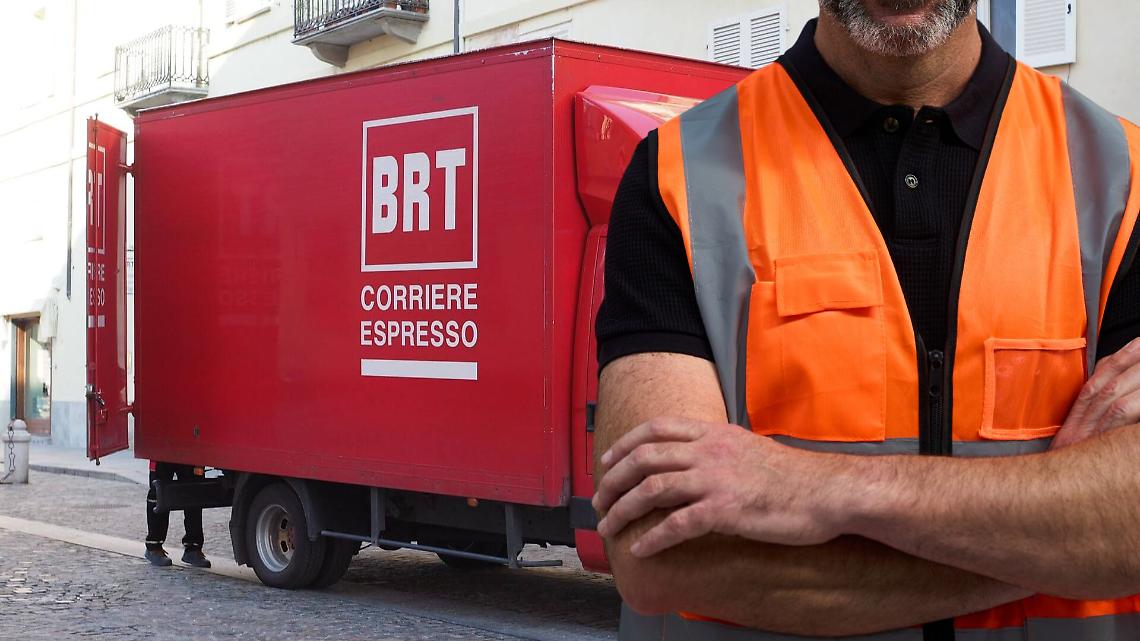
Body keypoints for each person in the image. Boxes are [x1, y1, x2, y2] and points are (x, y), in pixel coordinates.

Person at [592, 1, 1140, 639]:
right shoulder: (677, 176)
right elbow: (663, 549)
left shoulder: (1123, 179)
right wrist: (1071, 545)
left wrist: (824, 487)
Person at [144, 461, 211, 568]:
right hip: (161, 449)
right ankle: (154, 547)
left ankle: (193, 548)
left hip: (192, 449)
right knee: (158, 493)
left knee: (195, 493)